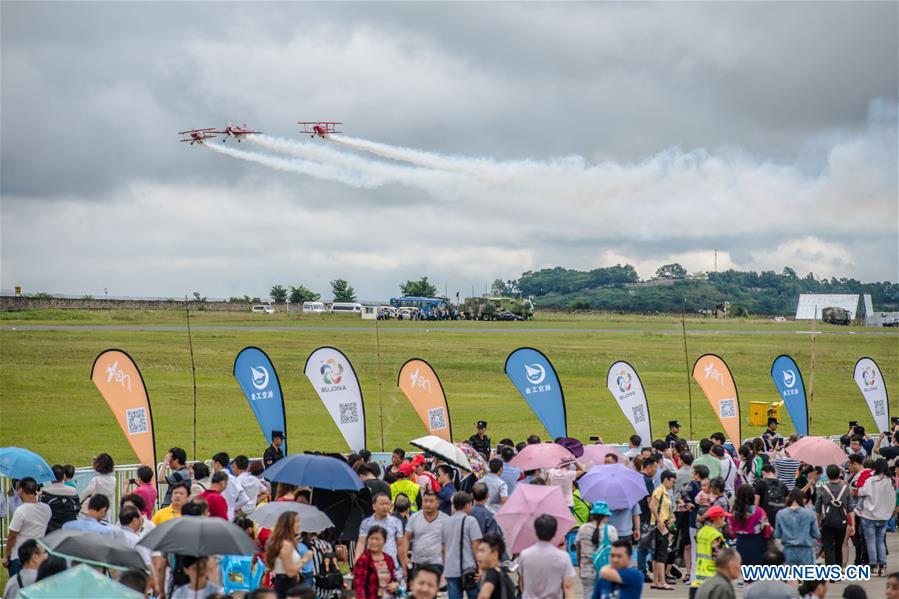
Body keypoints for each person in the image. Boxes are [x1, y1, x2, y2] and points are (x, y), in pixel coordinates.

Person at [518, 514, 576, 599]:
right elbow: (568, 587)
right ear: (555, 532)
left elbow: (522, 583)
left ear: (535, 531)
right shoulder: (563, 557)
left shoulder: (525, 555)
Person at [3, 478, 50, 576]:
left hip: (20, 556)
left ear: (20, 490)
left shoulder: (21, 511)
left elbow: (12, 536)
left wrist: (6, 555)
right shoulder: (47, 509)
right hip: (39, 554)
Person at [857, 457, 894, 576]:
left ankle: (873, 565)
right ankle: (882, 565)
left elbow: (861, 492)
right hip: (884, 515)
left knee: (871, 541)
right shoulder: (890, 481)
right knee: (880, 541)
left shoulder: (871, 480)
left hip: (869, 515)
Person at [442, 492, 483, 599]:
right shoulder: (471, 521)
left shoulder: (445, 522)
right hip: (468, 568)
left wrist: (445, 566)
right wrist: (481, 567)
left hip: (451, 570)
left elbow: (443, 548)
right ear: (467, 505)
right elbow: (476, 546)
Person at [265, 512, 313, 599]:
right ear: (289, 525)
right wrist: (305, 559)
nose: (299, 524)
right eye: (297, 522)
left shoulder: (286, 542)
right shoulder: (286, 544)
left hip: (286, 584)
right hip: (286, 586)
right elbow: (290, 572)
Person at [356, 493, 408, 574]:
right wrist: (357, 562)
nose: (385, 506)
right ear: (374, 506)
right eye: (382, 504)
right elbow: (361, 543)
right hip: (372, 565)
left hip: (391, 565)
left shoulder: (396, 522)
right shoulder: (366, 523)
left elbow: (400, 545)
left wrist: (404, 566)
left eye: (387, 504)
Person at [815, 464, 854, 567]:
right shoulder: (845, 489)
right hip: (842, 521)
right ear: (839, 474)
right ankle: (838, 569)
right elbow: (850, 508)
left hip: (827, 521)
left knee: (828, 547)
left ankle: (831, 571)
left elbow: (818, 508)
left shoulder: (823, 489)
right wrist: (852, 525)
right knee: (839, 546)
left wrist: (817, 522)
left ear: (827, 475)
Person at [576, 501, 617, 596]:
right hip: (605, 571)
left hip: (586, 570)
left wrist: (580, 566)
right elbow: (614, 552)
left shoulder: (583, 529)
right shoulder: (611, 530)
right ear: (606, 516)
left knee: (588, 595)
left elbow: (579, 550)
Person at [727, 484, 770, 569]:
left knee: (744, 575)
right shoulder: (759, 511)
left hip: (741, 544)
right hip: (757, 544)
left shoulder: (734, 512)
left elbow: (731, 533)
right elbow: (767, 531)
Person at [405, 490, 448, 575]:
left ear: (438, 503)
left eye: (431, 501)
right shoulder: (414, 518)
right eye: (425, 501)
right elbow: (406, 538)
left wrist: (446, 564)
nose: (428, 504)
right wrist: (405, 557)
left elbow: (449, 543)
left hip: (437, 564)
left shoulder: (446, 519)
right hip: (417, 563)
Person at [774, 489, 820, 565]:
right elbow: (816, 534)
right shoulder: (810, 513)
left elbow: (777, 534)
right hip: (806, 551)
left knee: (790, 575)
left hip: (787, 551)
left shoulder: (780, 514)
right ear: (802, 500)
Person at [354, 525, 398, 599]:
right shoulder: (363, 560)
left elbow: (394, 578)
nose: (374, 541)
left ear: (384, 541)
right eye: (371, 538)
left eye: (377, 539)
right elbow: (359, 586)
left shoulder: (388, 559)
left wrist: (395, 585)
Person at [691, 505, 729, 591]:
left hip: (699, 575)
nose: (724, 520)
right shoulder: (715, 535)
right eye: (723, 517)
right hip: (712, 578)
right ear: (718, 518)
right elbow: (720, 557)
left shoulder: (702, 532)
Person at [649, 471, 676, 590]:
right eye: (672, 481)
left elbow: (667, 510)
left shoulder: (665, 492)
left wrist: (671, 517)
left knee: (657, 555)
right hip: (660, 525)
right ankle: (661, 581)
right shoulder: (660, 490)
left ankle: (656, 581)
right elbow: (652, 505)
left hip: (662, 524)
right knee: (661, 554)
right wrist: (659, 519)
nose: (673, 484)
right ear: (666, 479)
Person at [211, 452, 252, 519]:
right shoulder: (234, 479)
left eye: (213, 464)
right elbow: (245, 499)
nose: (213, 468)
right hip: (230, 516)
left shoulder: (215, 479)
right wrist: (231, 507)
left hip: (218, 516)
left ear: (218, 464)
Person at [40, 464, 80, 532]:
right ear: (64, 476)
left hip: (51, 530)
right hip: (68, 529)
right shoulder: (73, 491)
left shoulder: (45, 492)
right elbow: (77, 509)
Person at [476, 533, 515, 599]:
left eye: (482, 551)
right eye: (478, 551)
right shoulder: (502, 575)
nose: (478, 555)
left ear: (495, 554)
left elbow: (484, 596)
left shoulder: (491, 573)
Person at [79, 452, 116, 518]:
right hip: (107, 509)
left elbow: (86, 493)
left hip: (96, 510)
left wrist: (79, 502)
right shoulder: (113, 479)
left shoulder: (96, 480)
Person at [753, 464, 788, 529]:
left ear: (763, 473)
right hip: (780, 518)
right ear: (774, 473)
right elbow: (787, 504)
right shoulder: (783, 485)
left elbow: (756, 505)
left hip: (765, 519)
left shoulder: (760, 483)